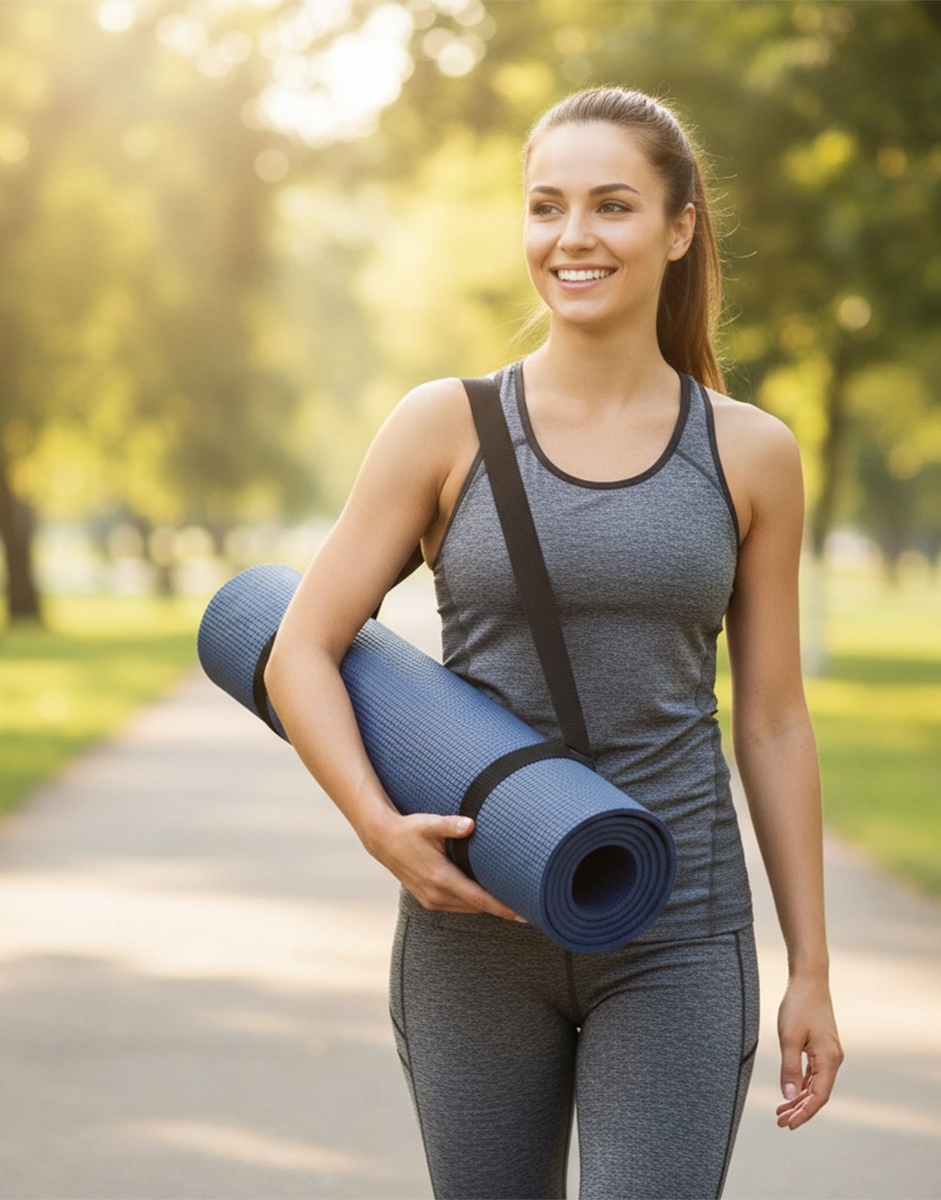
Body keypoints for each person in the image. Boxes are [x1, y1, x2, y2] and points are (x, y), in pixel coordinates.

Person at [264, 86, 843, 1200]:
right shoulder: (444, 427)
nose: (572, 237)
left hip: (677, 931)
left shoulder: (750, 454)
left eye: (612, 206)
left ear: (679, 230)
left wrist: (811, 969)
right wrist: (382, 831)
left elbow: (773, 720)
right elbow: (301, 649)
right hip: (476, 927)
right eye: (546, 207)